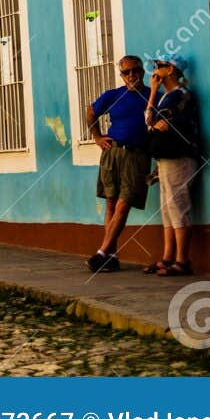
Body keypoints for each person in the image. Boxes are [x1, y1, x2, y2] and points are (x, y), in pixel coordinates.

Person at [86, 55, 153, 272]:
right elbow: (91, 111)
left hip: (137, 155)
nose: (131, 75)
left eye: (135, 70)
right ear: (121, 75)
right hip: (113, 152)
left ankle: (101, 252)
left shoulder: (152, 97)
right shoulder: (113, 95)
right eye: (126, 72)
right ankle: (111, 256)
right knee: (111, 203)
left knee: (124, 204)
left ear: (142, 72)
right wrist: (96, 136)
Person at [145, 55, 200, 276]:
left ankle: (182, 260)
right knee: (167, 209)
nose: (155, 69)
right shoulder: (164, 97)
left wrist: (156, 126)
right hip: (165, 158)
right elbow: (150, 122)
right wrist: (151, 93)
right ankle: (168, 257)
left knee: (178, 206)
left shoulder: (182, 95)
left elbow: (162, 125)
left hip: (180, 157)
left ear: (171, 69)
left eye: (158, 66)